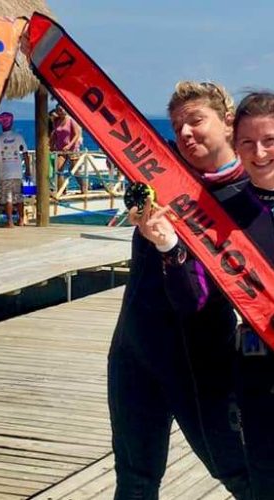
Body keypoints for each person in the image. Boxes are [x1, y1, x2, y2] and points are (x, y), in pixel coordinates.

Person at [145, 91, 274, 500]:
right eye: (248, 142)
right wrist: (168, 247)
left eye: (269, 141)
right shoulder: (218, 215)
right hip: (257, 378)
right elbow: (193, 302)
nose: (259, 153)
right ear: (236, 143)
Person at [108, 81, 253, 499]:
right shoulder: (159, 175)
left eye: (195, 120)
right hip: (134, 350)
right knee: (135, 479)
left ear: (228, 122)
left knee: (240, 474)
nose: (185, 133)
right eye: (176, 126)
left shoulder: (248, 198)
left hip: (201, 359)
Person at [0, 111, 30, 227]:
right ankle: (21, 220)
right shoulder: (18, 137)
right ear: (11, 123)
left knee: (8, 198)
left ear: (2, 124)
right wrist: (28, 170)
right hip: (17, 172)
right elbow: (25, 154)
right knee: (19, 197)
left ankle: (10, 221)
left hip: (5, 172)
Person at [49, 104, 84, 193]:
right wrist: (51, 145)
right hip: (61, 149)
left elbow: (77, 134)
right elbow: (55, 134)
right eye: (59, 110)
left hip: (72, 149)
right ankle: (62, 190)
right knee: (58, 169)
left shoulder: (71, 120)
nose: (61, 111)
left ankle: (84, 188)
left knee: (75, 170)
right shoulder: (56, 121)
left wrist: (69, 145)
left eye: (62, 109)